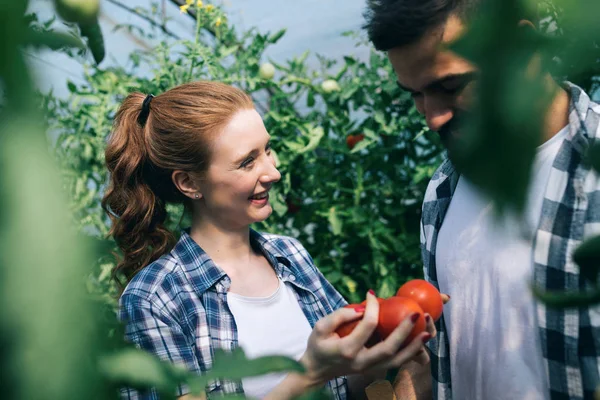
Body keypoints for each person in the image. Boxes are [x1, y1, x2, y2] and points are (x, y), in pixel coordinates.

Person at [102, 81, 434, 400]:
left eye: (267, 149)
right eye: (247, 161)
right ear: (189, 182)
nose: (273, 172)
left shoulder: (290, 254)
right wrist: (309, 374)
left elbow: (356, 389)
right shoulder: (154, 299)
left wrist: (376, 360)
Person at [364, 1, 600, 399]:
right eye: (416, 95)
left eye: (450, 86)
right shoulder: (443, 187)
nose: (432, 117)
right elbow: (450, 352)